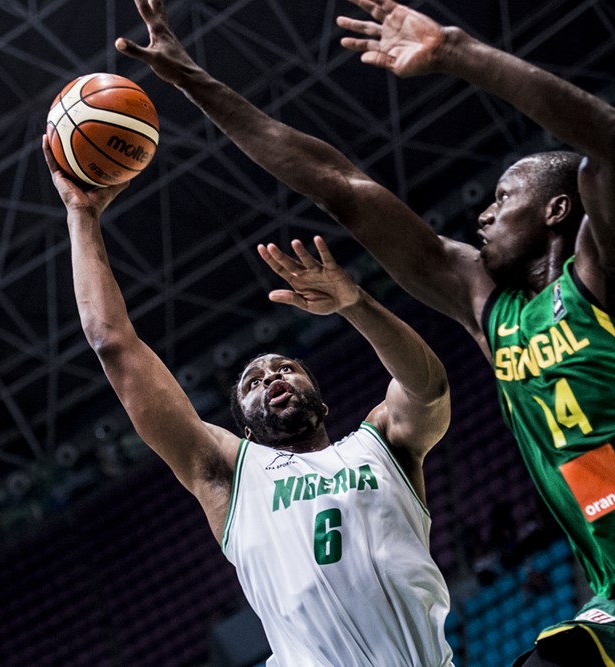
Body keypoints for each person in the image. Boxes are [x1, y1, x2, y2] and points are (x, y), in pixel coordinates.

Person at [115, 0, 615, 664]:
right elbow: (343, 188)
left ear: (559, 210)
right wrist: (194, 82)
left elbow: (613, 142)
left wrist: (455, 50)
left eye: (505, 198)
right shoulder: (488, 309)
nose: (484, 211)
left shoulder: (612, 282)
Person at [41, 134, 455, 665]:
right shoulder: (231, 472)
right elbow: (113, 345)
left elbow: (429, 388)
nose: (271, 376)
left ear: (323, 402)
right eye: (253, 382)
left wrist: (356, 303)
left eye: (285, 368)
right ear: (248, 431)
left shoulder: (382, 445)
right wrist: (81, 215)